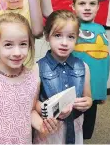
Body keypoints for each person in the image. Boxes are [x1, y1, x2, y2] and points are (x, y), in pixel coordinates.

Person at [0, 12, 44, 144]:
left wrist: (42, 126)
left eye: (23, 44)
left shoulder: (34, 79)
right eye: (8, 45)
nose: (17, 52)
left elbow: (30, 111)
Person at [34, 10, 92, 144]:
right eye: (58, 35)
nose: (64, 43)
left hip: (75, 126)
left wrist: (87, 102)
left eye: (71, 37)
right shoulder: (37, 68)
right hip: (50, 128)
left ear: (77, 38)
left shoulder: (83, 67)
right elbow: (33, 104)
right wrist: (50, 110)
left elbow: (88, 96)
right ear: (47, 36)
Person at [72, 0, 110, 139]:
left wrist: (102, 92)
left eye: (92, 4)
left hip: (95, 90)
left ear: (98, 7)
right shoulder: (72, 26)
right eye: (82, 3)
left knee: (87, 129)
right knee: (71, 126)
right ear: (73, 6)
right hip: (76, 88)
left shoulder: (101, 29)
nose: (87, 8)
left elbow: (103, 63)